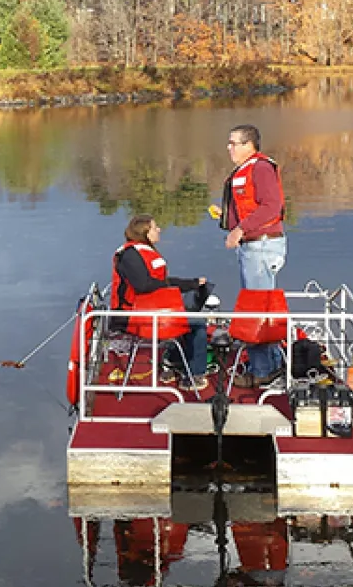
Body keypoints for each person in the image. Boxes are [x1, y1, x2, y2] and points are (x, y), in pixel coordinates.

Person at [217, 124, 287, 386]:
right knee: (261, 305)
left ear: (249, 145)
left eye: (234, 143)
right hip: (256, 246)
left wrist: (239, 229)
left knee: (256, 307)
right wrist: (229, 218)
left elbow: (272, 206)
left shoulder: (260, 168)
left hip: (261, 247)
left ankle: (261, 372)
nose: (229, 148)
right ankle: (270, 364)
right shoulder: (247, 170)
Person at [111, 214, 209, 389]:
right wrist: (179, 287)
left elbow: (160, 283)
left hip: (154, 311)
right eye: (155, 227)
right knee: (197, 323)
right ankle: (195, 374)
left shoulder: (140, 252)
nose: (159, 230)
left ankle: (174, 361)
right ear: (145, 232)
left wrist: (191, 284)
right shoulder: (130, 255)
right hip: (136, 317)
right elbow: (144, 285)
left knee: (190, 310)